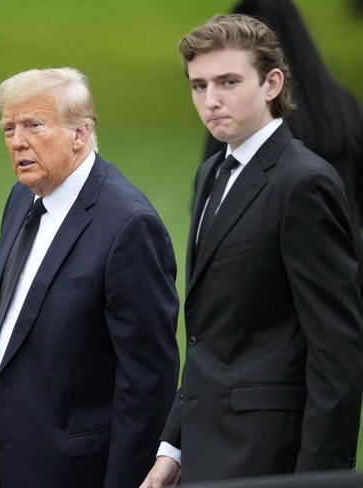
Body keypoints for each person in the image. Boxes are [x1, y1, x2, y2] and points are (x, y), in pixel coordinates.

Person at [141, 14, 363, 487]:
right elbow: (209, 335)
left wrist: (318, 480)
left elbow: (337, 350)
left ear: (271, 83)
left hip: (269, 457)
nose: (211, 100)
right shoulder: (211, 175)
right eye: (198, 85)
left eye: (228, 81)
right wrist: (172, 448)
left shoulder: (304, 183)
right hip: (204, 449)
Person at [0, 67, 180, 488]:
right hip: (12, 464)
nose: (17, 141)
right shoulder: (22, 199)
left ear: (80, 135)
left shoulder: (128, 224)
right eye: (9, 128)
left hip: (79, 473)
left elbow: (148, 381)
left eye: (34, 125)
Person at [202, 0, 363, 295]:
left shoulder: (237, 120)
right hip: (345, 272)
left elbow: (214, 208)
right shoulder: (343, 107)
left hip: (267, 291)